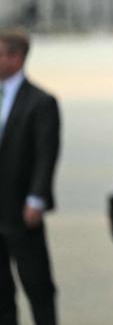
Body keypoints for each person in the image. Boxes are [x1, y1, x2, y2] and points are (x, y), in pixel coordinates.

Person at [0, 28, 60, 325]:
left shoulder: (41, 102)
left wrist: (36, 198)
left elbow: (46, 155)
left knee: (36, 284)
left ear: (16, 58)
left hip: (22, 209)